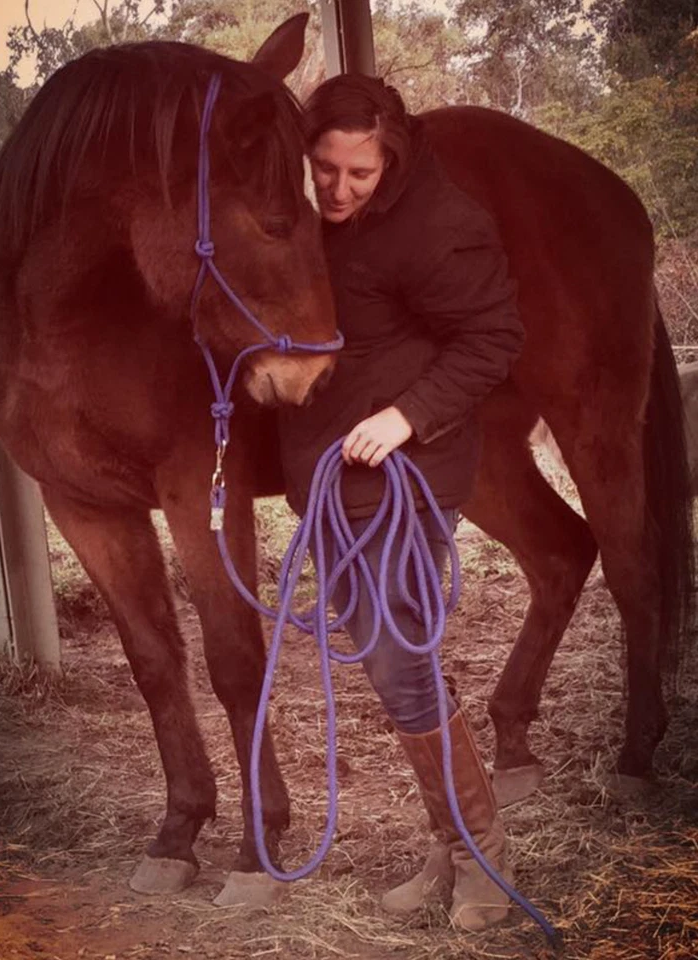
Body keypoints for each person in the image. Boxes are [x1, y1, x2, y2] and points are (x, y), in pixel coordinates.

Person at [278, 74, 525, 930]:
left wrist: (405, 415)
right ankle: (448, 844)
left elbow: (493, 337)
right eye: (324, 168)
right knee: (392, 659)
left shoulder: (440, 225)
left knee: (395, 658)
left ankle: (481, 852)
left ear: (391, 159)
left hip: (406, 475)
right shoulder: (290, 215)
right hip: (328, 477)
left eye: (360, 173)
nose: (337, 189)